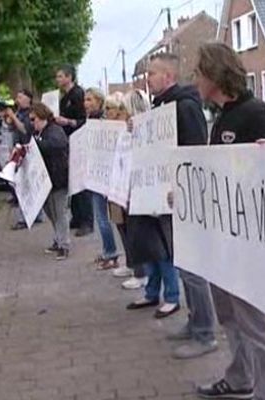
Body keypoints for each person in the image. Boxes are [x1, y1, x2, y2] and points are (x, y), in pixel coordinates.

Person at [192, 42, 265, 400]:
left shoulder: (256, 113)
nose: (195, 79)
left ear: (215, 74)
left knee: (258, 325)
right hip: (223, 240)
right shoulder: (222, 116)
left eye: (199, 72)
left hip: (249, 242)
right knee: (228, 315)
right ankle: (240, 377)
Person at [126, 53, 208, 320]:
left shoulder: (183, 106)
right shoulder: (160, 107)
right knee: (163, 248)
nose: (147, 79)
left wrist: (182, 186)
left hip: (178, 195)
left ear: (169, 76)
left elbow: (195, 150)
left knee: (185, 259)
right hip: (161, 192)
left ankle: (200, 324)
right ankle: (191, 319)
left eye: (151, 73)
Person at [106, 92, 149, 290]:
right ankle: (134, 266)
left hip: (135, 189)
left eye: (123, 109)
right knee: (125, 228)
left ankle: (141, 272)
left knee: (137, 232)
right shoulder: (124, 131)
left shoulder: (144, 131)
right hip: (121, 188)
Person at [84, 87, 124, 269]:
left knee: (104, 217)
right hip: (95, 174)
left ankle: (111, 252)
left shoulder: (103, 123)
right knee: (101, 216)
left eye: (90, 99)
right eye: (85, 100)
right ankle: (109, 250)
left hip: (105, 177)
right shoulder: (90, 120)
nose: (86, 103)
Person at [29, 102, 70, 260]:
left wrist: (36, 145)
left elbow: (58, 145)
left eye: (34, 119)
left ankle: (64, 244)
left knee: (60, 212)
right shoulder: (40, 133)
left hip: (57, 178)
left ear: (42, 117)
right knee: (51, 212)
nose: (32, 123)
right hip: (47, 179)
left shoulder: (54, 130)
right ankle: (58, 239)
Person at [55, 64, 93, 237]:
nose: (58, 80)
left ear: (70, 77)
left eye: (61, 76)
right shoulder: (64, 98)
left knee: (82, 181)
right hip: (68, 142)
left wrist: (68, 122)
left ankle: (87, 220)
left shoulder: (78, 95)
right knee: (73, 180)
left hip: (79, 141)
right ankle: (77, 216)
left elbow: (82, 120)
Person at [0, 89, 44, 230]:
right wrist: (7, 119)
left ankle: (25, 216)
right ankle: (35, 214)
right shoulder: (19, 112)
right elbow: (12, 128)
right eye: (17, 97)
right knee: (23, 182)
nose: (17, 99)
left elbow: (25, 129)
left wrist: (13, 116)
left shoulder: (31, 113)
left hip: (29, 149)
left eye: (20, 97)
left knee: (25, 184)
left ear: (28, 99)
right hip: (19, 149)